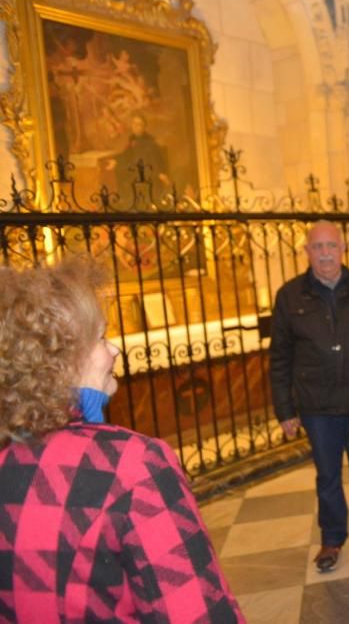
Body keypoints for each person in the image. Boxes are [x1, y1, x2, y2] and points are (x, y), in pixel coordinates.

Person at [0, 259, 244, 622]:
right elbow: (196, 612)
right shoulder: (130, 465)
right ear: (61, 360)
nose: (114, 349)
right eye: (100, 338)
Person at [269, 220, 349, 573]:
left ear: (343, 249)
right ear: (307, 252)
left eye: (331, 246)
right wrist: (284, 409)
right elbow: (279, 357)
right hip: (317, 405)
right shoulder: (289, 296)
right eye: (317, 247)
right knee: (327, 475)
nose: (325, 253)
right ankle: (332, 538)